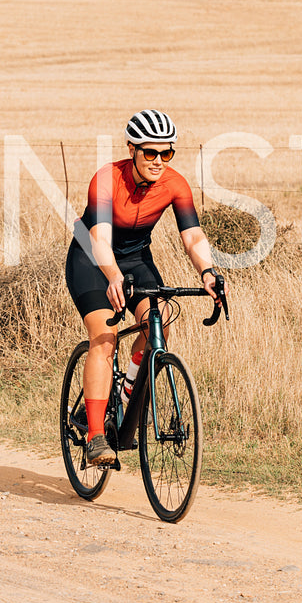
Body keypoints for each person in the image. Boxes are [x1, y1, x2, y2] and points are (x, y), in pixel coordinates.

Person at [64, 109, 220, 466]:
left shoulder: (174, 184)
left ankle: (125, 386)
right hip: (91, 257)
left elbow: (193, 236)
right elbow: (100, 239)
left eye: (166, 153)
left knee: (160, 319)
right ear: (132, 148)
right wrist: (113, 275)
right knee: (104, 337)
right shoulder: (107, 179)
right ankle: (95, 437)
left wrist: (208, 272)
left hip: (135, 259)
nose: (158, 161)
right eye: (150, 152)